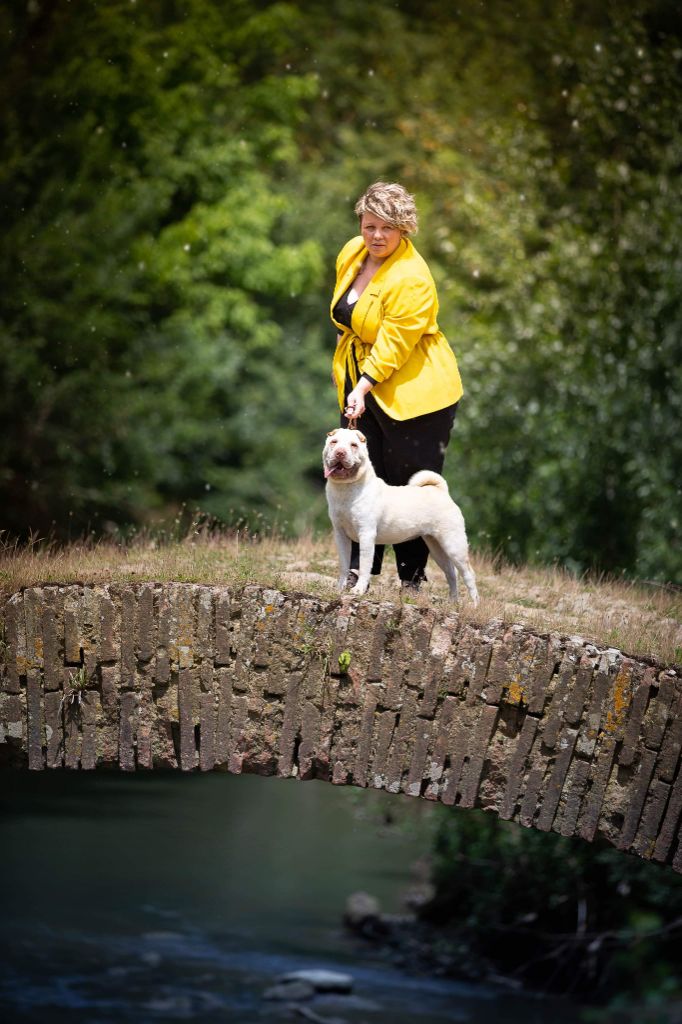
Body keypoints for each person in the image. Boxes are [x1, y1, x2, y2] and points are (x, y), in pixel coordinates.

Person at [330, 180, 463, 591]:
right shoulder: (353, 253)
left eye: (387, 228)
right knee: (355, 474)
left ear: (404, 228)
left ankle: (412, 582)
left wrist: (364, 384)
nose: (376, 236)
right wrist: (346, 376)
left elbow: (394, 344)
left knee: (408, 486)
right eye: (369, 226)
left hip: (417, 393)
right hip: (361, 381)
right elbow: (345, 316)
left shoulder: (413, 277)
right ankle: (358, 575)